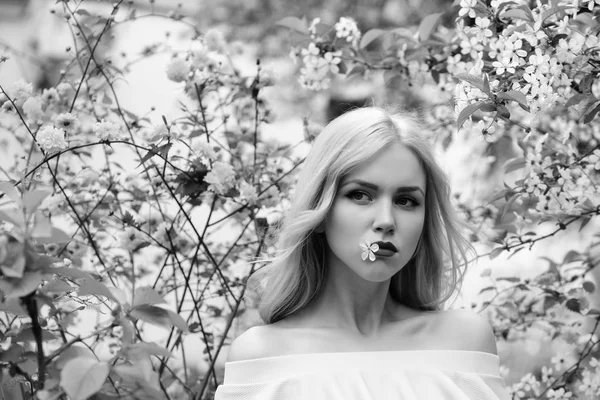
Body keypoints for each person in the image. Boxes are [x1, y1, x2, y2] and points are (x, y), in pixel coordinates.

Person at [214, 107, 511, 400]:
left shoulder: (465, 343)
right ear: (320, 210)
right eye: (360, 195)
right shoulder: (262, 357)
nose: (385, 220)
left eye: (406, 201)